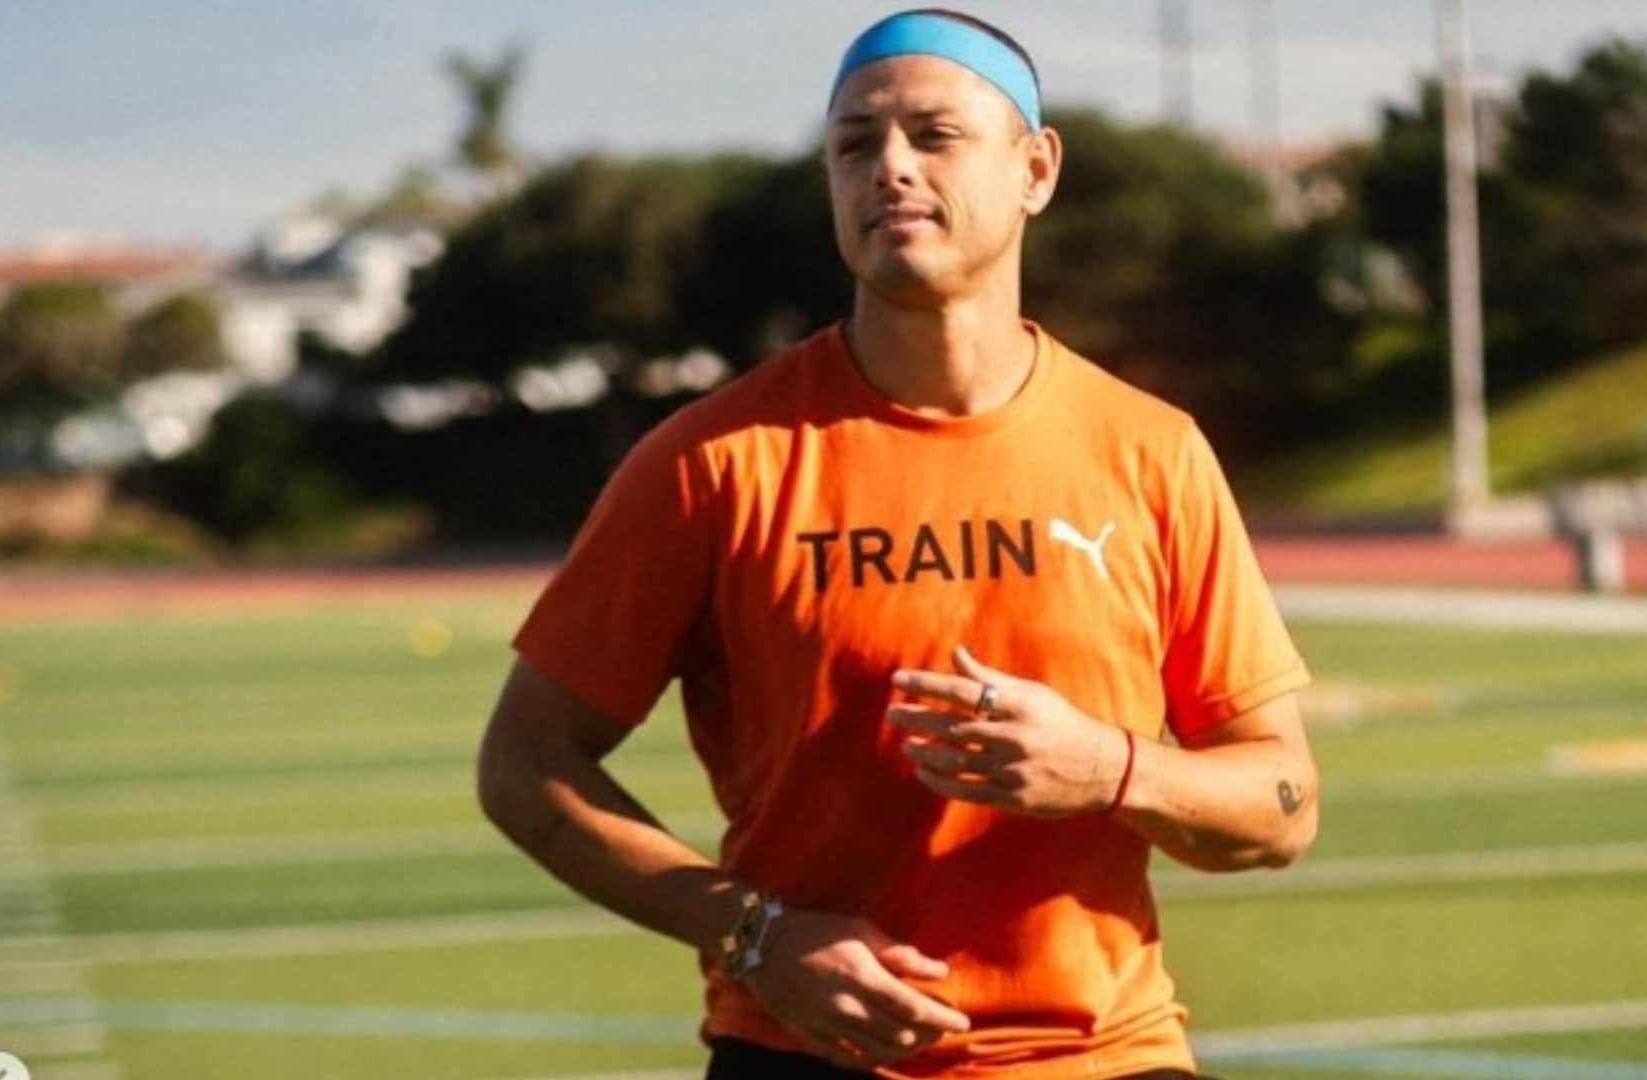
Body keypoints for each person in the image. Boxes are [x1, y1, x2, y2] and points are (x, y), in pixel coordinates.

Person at [476, 9, 1319, 1078]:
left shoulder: (1152, 452)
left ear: (1036, 168)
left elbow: (1282, 807)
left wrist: (1107, 769)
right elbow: (524, 764)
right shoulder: (713, 462)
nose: (890, 168)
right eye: (853, 143)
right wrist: (754, 935)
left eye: (934, 134)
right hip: (803, 1056)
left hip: (1106, 1057)